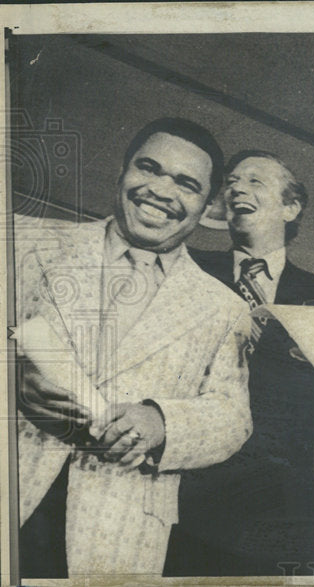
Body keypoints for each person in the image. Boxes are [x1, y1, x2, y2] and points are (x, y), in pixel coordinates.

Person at [14, 118, 252, 576]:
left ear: (207, 207)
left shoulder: (224, 308)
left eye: (186, 184)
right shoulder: (27, 242)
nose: (160, 191)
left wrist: (162, 422)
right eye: (148, 168)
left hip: (116, 526)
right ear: (122, 171)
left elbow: (233, 417)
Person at [164, 151, 314, 575]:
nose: (237, 188)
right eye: (232, 182)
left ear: (290, 207)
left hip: (277, 508)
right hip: (188, 493)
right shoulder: (188, 269)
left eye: (255, 181)